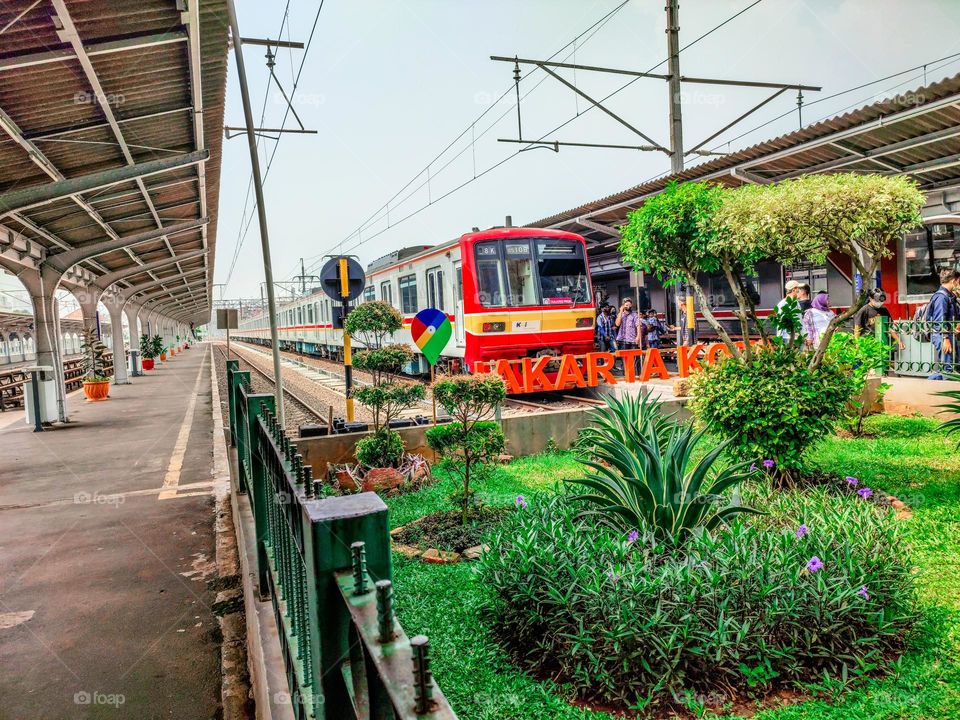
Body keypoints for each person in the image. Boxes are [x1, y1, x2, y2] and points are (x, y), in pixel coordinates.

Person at [927, 268, 960, 380]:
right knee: (948, 369)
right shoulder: (941, 297)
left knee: (951, 367)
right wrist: (945, 338)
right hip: (943, 336)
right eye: (958, 281)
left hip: (948, 335)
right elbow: (939, 320)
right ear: (953, 281)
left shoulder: (949, 296)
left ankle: (931, 385)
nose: (958, 284)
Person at [614, 299, 643, 375]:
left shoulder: (634, 315)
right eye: (626, 305)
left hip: (632, 340)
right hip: (622, 340)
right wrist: (620, 311)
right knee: (624, 359)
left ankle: (636, 374)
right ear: (623, 305)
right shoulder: (621, 314)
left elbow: (638, 326)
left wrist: (638, 336)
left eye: (630, 305)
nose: (628, 306)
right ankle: (626, 375)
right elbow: (617, 324)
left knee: (635, 358)